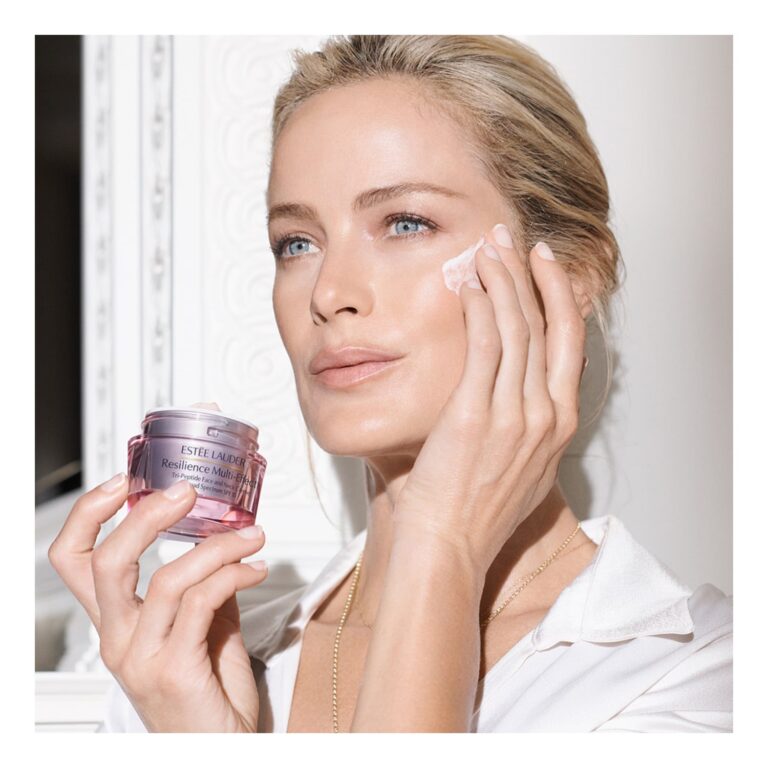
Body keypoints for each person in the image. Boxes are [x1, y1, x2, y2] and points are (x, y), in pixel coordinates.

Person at [50, 35, 732, 733]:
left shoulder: (690, 674)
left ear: (571, 275)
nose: (329, 292)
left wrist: (440, 542)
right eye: (297, 242)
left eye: (406, 223)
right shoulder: (183, 670)